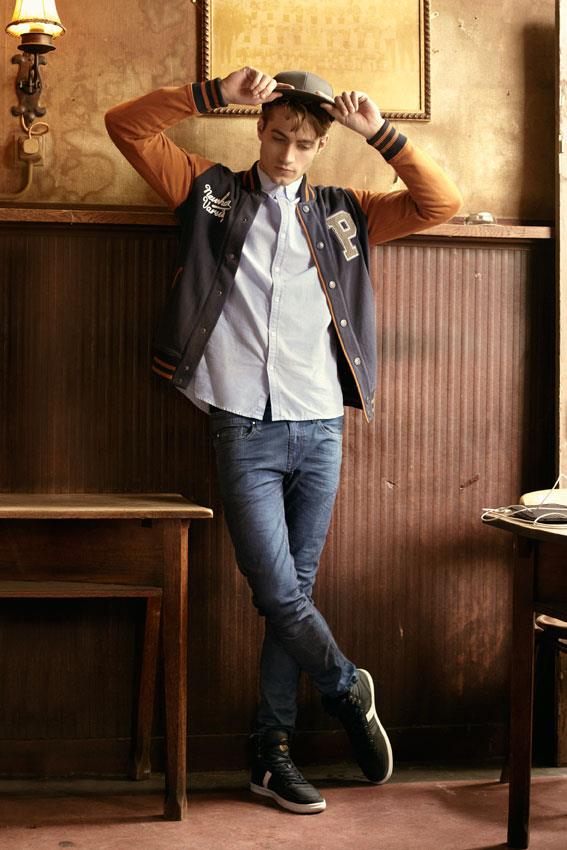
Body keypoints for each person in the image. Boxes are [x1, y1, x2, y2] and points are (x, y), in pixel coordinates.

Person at [105, 66, 461, 815]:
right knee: (275, 590)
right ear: (258, 130)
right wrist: (211, 93)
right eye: (276, 137)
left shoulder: (346, 213)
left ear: (321, 144)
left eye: (303, 143)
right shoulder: (208, 191)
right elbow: (125, 127)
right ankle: (345, 686)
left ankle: (269, 753)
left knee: (290, 595)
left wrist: (380, 133)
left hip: (321, 425)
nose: (288, 154)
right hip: (241, 422)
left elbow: (441, 203)